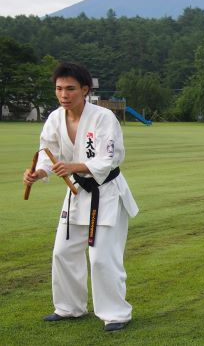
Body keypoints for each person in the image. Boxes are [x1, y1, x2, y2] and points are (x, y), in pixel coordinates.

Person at [23, 62, 139, 331]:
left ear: (85, 90)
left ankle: (116, 313)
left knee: (101, 257)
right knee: (62, 252)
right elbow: (46, 152)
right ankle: (69, 308)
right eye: (59, 89)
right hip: (76, 194)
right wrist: (38, 172)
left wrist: (72, 167)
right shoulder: (54, 118)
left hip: (106, 194)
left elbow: (108, 159)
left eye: (70, 89)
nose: (64, 95)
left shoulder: (103, 118)